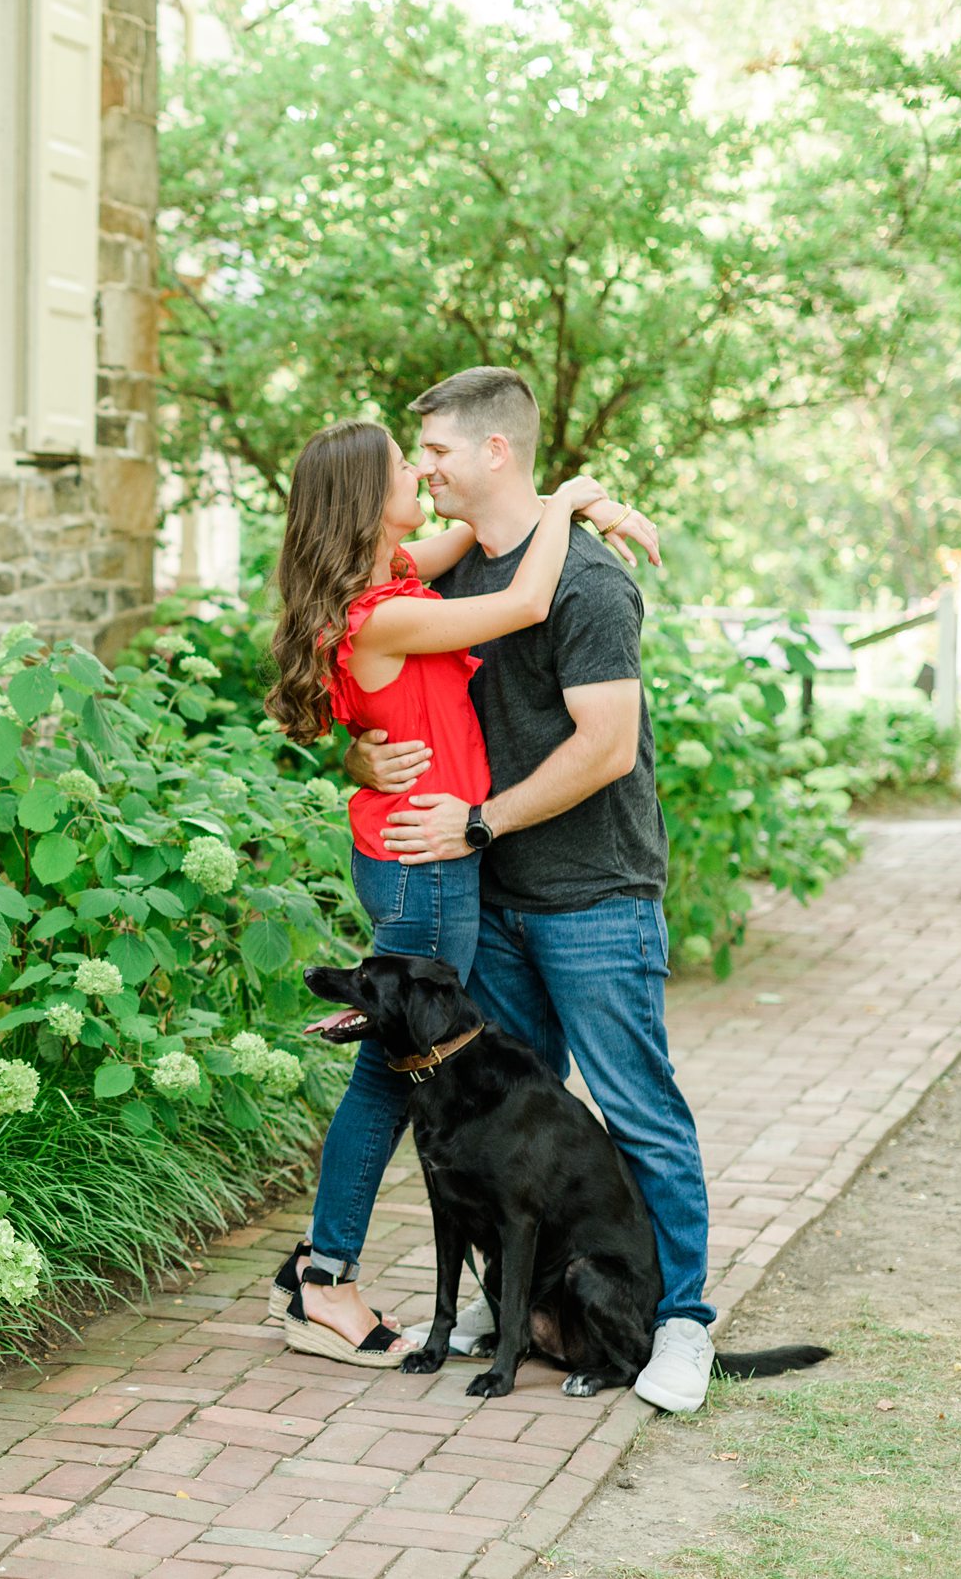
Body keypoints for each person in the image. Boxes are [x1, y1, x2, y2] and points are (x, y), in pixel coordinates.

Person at [351, 365, 714, 1413]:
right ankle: (518, 1309)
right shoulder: (448, 576)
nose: (422, 469)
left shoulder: (592, 584)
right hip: (497, 897)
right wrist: (364, 771)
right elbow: (375, 681)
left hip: (594, 890)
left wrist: (479, 820)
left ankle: (681, 1321)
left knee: (640, 1112)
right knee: (518, 1118)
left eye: (438, 453)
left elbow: (603, 750)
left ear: (496, 452)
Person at [259, 416, 649, 1367]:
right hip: (426, 863)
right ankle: (326, 1278)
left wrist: (570, 496)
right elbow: (522, 600)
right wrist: (566, 503)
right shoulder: (384, 611)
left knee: (403, 1063)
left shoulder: (386, 579)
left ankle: (324, 1270)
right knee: (393, 1070)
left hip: (411, 850)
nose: (422, 476)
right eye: (406, 466)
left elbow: (479, 527)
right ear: (366, 498)